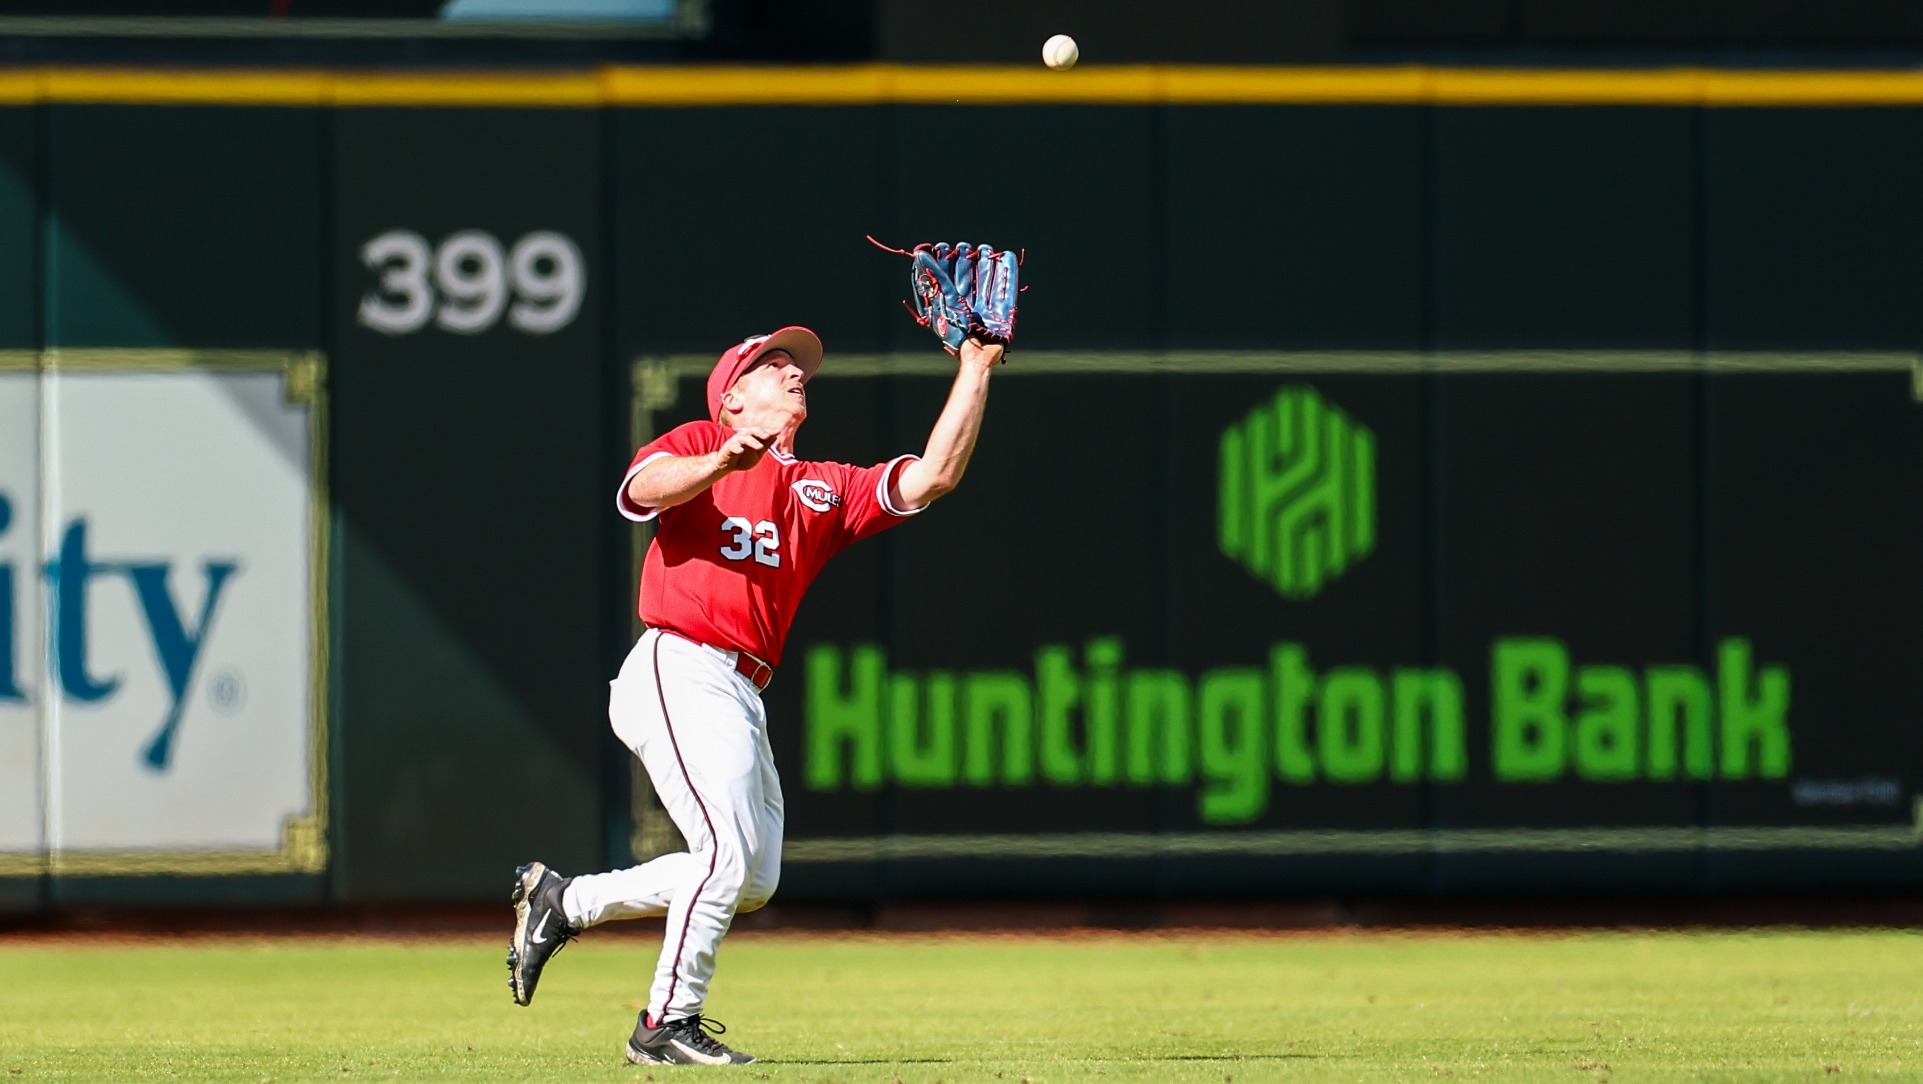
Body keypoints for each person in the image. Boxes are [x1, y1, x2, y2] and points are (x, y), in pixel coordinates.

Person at [507, 325, 1004, 1066]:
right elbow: (640, 491)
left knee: (752, 878)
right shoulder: (701, 438)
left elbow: (932, 475)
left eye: (795, 366)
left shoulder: (821, 487)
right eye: (772, 366)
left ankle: (566, 901)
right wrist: (716, 460)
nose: (793, 373)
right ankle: (664, 1023)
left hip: (740, 687)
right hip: (680, 663)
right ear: (732, 397)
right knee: (724, 855)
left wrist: (975, 366)